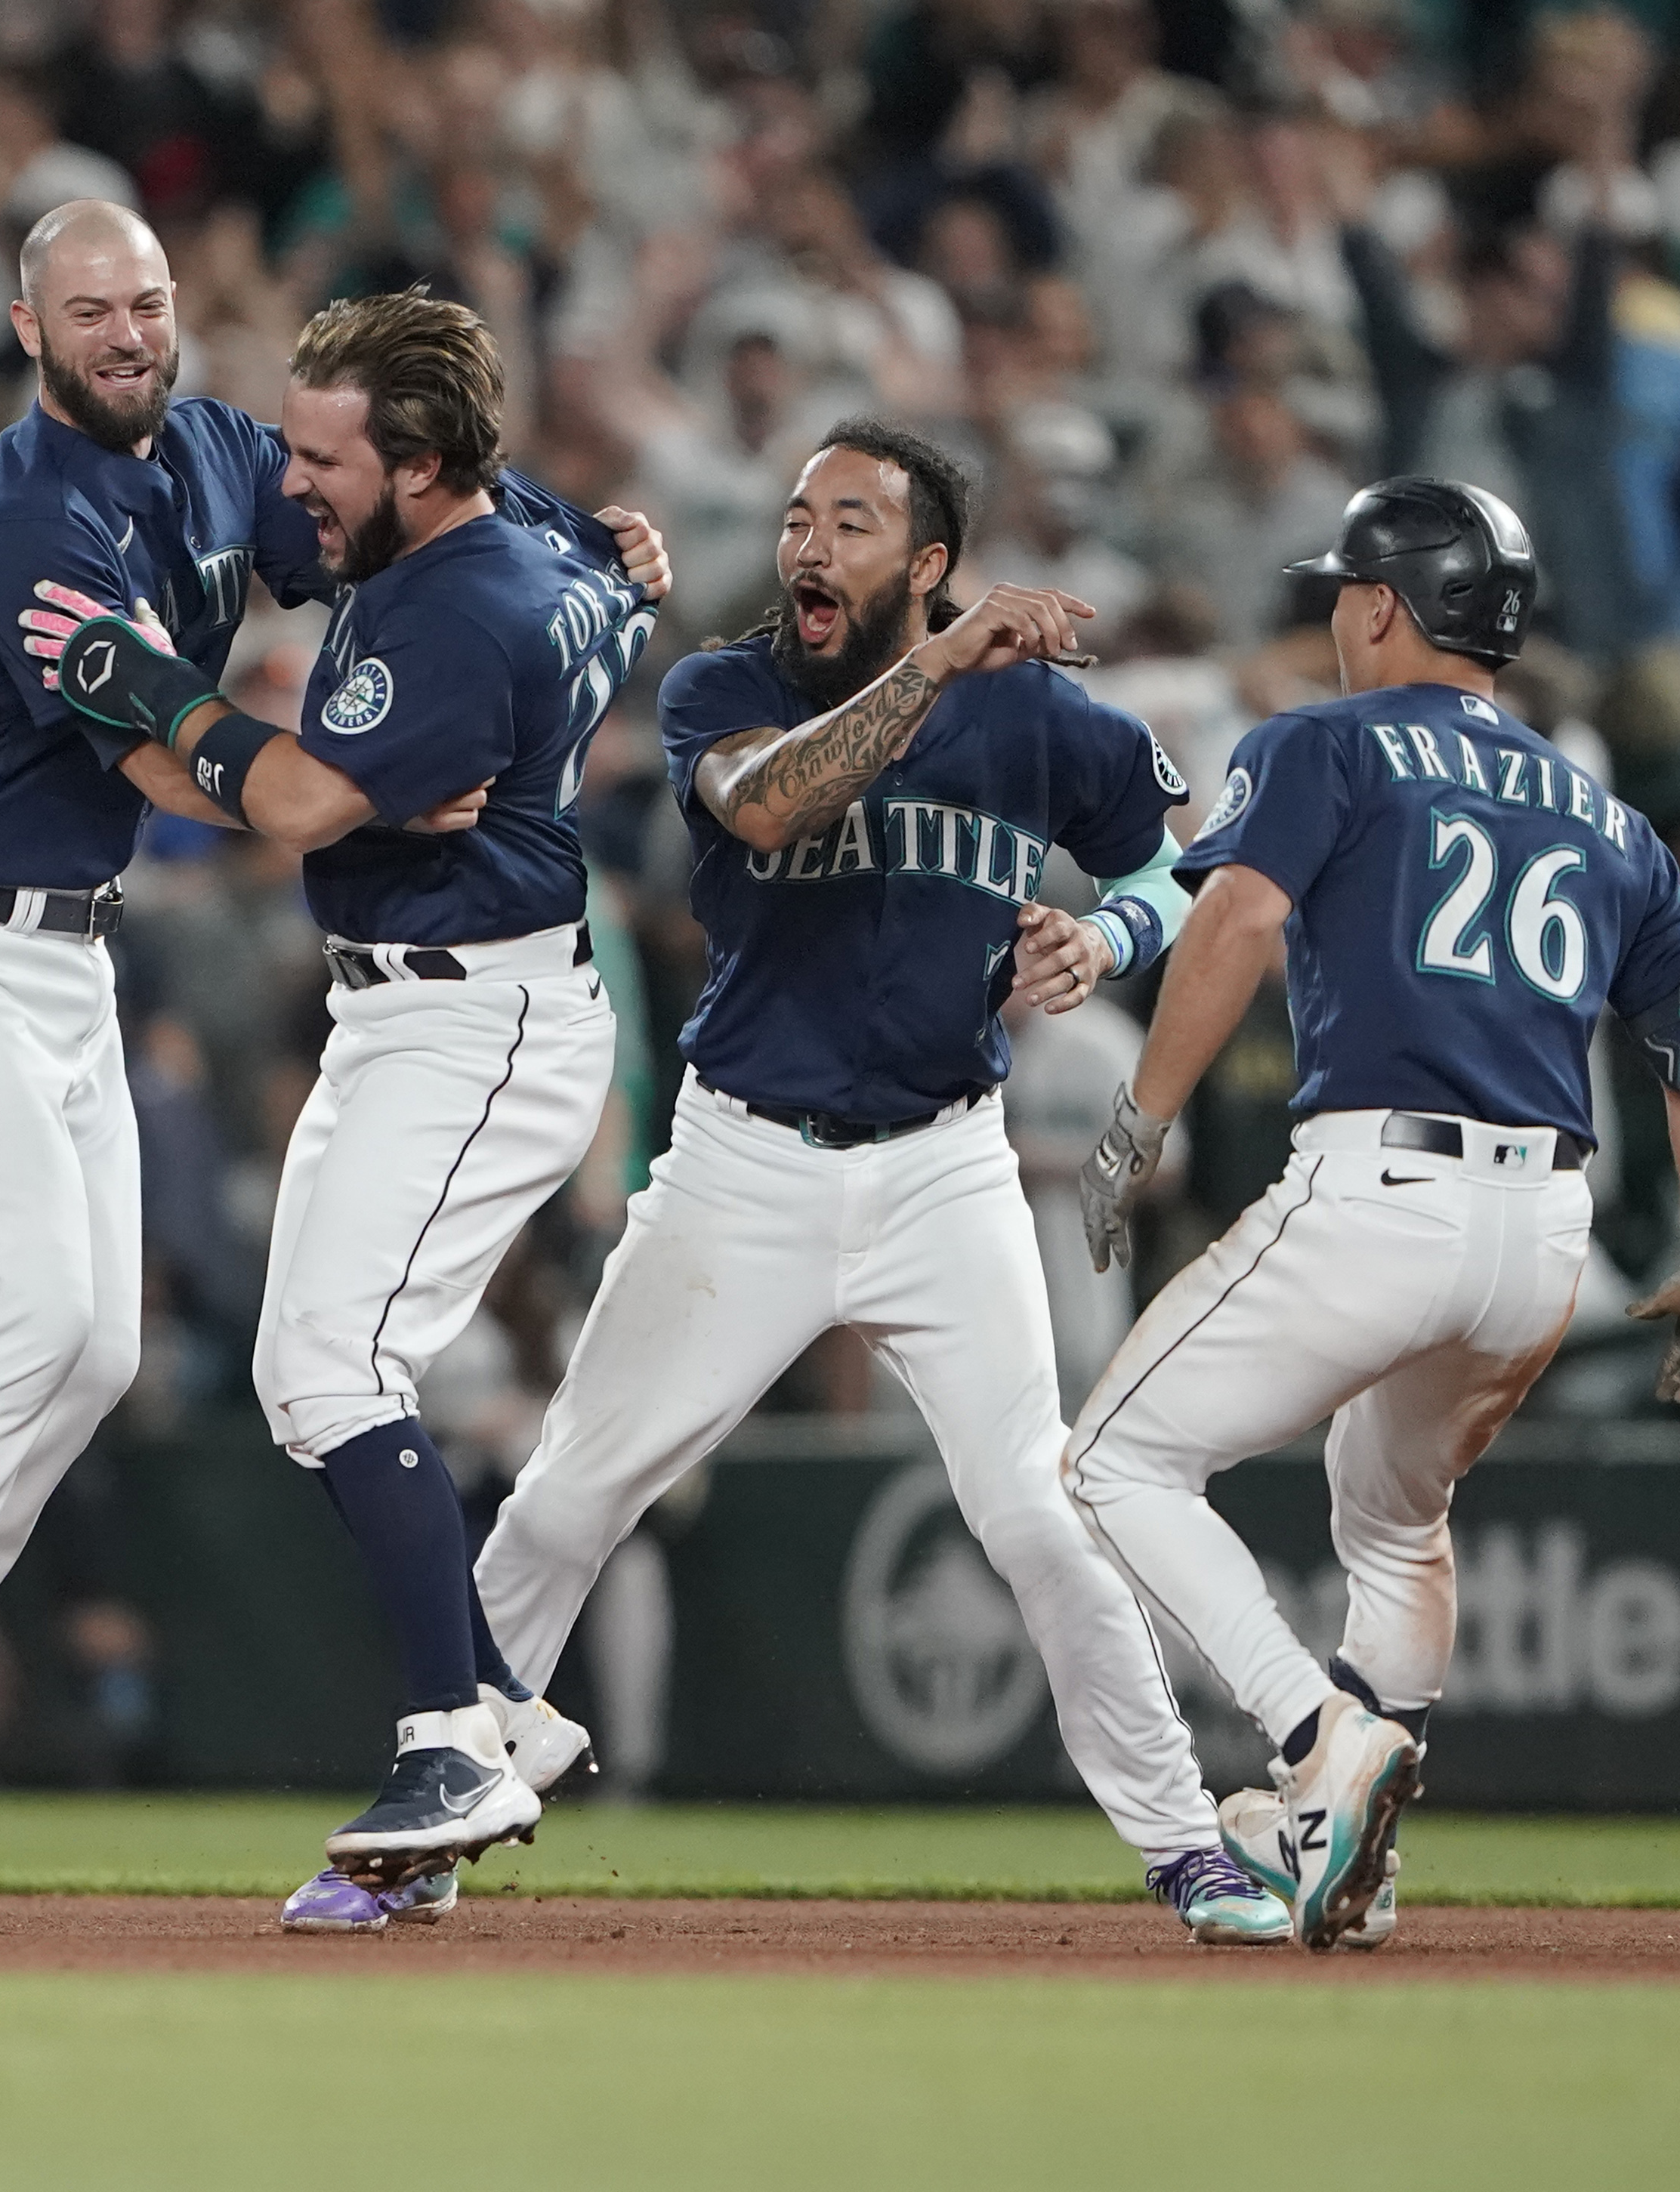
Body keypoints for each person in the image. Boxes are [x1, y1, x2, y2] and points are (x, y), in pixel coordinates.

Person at [439, 424, 1286, 1946]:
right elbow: (771, 806)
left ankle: (1187, 1847)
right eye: (795, 518)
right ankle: (433, 1809)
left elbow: (1191, 863)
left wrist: (1111, 941)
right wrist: (944, 667)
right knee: (569, 1497)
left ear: (930, 561)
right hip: (740, 1162)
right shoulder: (729, 683)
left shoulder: (1034, 713)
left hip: (943, 1167)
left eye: (850, 521)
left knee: (1037, 1512)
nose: (808, 546)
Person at [1065, 478, 1680, 1952]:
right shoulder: (1611, 817)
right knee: (1394, 1511)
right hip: (1542, 1233)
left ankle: (1321, 1735)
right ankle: (1355, 1863)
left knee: (1115, 1459)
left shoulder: (1321, 739)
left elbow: (1236, 919)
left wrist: (1140, 1122)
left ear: (1383, 605)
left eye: (1342, 592)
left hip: (1383, 1186)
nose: (1330, 615)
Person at [54, 288, 661, 1928]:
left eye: (326, 456)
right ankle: (500, 1712)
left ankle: (447, 1739)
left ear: (425, 461)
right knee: (298, 1369)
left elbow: (309, 798)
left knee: (334, 1364)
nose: (292, 483)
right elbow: (599, 556)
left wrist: (152, 688)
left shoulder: (460, 601)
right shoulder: (504, 527)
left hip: (482, 1020)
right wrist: (621, 562)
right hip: (410, 1010)